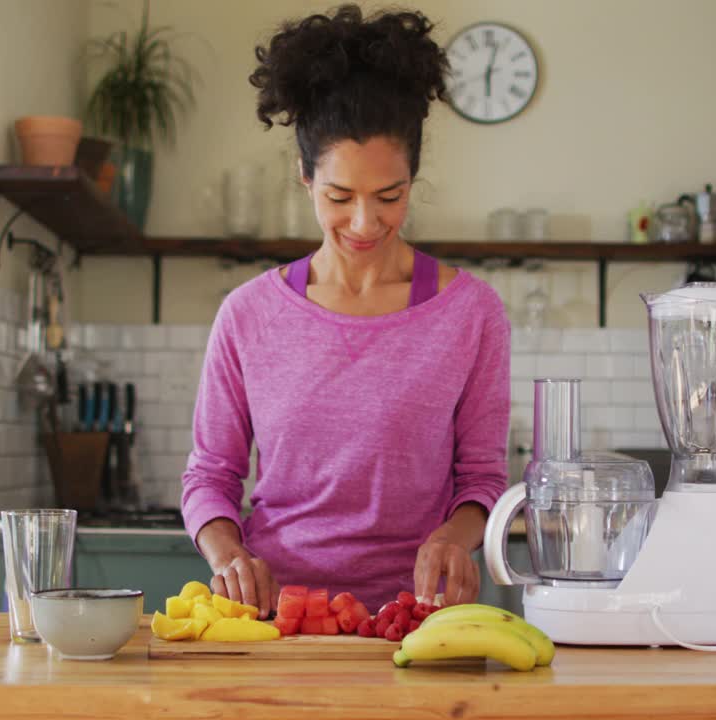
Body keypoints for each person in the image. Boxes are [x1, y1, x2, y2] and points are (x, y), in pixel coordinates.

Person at [180, 4, 509, 618]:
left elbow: (483, 478)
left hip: (417, 621)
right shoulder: (247, 315)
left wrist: (453, 538)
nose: (364, 222)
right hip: (280, 621)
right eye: (339, 196)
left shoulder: (472, 314)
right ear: (304, 177)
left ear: (414, 177)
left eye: (390, 195)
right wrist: (228, 555)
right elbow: (210, 477)